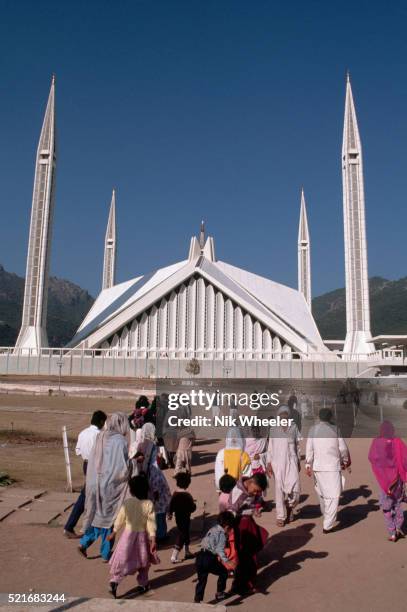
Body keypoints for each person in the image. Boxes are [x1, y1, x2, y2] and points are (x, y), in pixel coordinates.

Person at [79, 413, 130, 561]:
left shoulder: (101, 436)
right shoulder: (120, 441)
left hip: (97, 482)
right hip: (111, 486)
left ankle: (84, 543)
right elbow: (123, 468)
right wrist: (133, 463)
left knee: (98, 516)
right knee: (110, 520)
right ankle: (106, 553)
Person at [108, 475, 159, 598]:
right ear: (146, 489)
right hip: (142, 538)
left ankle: (115, 581)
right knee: (144, 562)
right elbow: (151, 524)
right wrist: (153, 539)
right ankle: (143, 584)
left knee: (123, 560)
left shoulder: (127, 503)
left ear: (131, 490)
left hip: (127, 538)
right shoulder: (148, 504)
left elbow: (120, 518)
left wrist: (114, 531)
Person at [305, 408, 350, 533]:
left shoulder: (313, 430)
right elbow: (343, 449)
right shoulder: (335, 429)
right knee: (334, 495)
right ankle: (327, 525)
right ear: (330, 417)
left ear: (319, 417)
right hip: (332, 468)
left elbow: (309, 449)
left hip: (318, 467)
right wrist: (345, 461)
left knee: (323, 493)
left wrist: (308, 465)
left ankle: (327, 516)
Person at [64, 410, 107, 538]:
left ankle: (74, 526)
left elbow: (78, 451)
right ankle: (80, 527)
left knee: (88, 494)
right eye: (104, 422)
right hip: (97, 466)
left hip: (86, 464)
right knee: (91, 495)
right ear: (101, 422)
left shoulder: (83, 433)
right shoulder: (100, 435)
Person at [227, 473, 269, 595]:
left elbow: (256, 501)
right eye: (256, 491)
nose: (256, 494)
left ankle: (248, 582)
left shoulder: (251, 490)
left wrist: (255, 509)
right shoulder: (238, 492)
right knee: (243, 557)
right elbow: (231, 512)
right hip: (240, 528)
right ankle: (239, 585)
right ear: (250, 483)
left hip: (248, 524)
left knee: (251, 556)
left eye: (258, 492)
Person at [368, 421, 407, 541]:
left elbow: (371, 457)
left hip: (383, 481)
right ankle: (399, 527)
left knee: (386, 507)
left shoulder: (376, 442)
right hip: (397, 480)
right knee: (397, 504)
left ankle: (392, 533)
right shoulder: (398, 442)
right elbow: (405, 459)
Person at [266, 405, 301, 526]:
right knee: (279, 490)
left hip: (292, 462)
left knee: (296, 490)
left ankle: (290, 507)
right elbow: (269, 448)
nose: (284, 417)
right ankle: (280, 517)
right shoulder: (274, 429)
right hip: (277, 463)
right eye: (282, 415)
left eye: (286, 414)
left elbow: (297, 446)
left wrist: (298, 461)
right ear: (278, 416)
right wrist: (268, 463)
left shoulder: (294, 427)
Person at [137, 422, 171, 541]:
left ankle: (149, 534)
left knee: (148, 511)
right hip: (154, 479)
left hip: (144, 481)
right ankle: (160, 535)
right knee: (159, 511)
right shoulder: (152, 445)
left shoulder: (140, 444)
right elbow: (155, 464)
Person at [194, 511, 236, 604]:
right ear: (227, 527)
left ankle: (197, 599)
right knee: (224, 572)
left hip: (200, 557)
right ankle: (219, 593)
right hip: (209, 558)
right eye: (231, 529)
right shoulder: (222, 535)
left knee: (202, 580)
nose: (231, 532)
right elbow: (220, 549)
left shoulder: (213, 528)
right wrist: (227, 561)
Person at [168, 471, 196, 563]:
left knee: (186, 534)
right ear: (187, 484)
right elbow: (192, 508)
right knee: (182, 535)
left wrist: (170, 514)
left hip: (178, 518)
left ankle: (187, 552)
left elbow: (171, 505)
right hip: (186, 518)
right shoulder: (187, 496)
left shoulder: (175, 494)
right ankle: (174, 556)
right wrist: (194, 506)